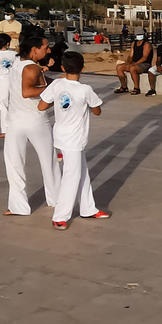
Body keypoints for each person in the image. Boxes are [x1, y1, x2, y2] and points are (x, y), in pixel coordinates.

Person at [38, 51, 111, 230]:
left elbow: (41, 106)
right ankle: (60, 216)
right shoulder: (85, 90)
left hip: (61, 135)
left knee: (82, 172)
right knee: (72, 176)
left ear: (63, 68)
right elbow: (97, 111)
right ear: (83, 68)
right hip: (74, 139)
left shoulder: (57, 84)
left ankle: (88, 208)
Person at [3, 35, 61, 216]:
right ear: (34, 50)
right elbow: (27, 91)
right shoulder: (32, 67)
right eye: (45, 47)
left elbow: (36, 80)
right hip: (35, 121)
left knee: (14, 165)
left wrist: (56, 81)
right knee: (49, 162)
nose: (48, 50)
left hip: (15, 121)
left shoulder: (17, 64)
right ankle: (57, 199)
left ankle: (18, 207)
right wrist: (56, 89)